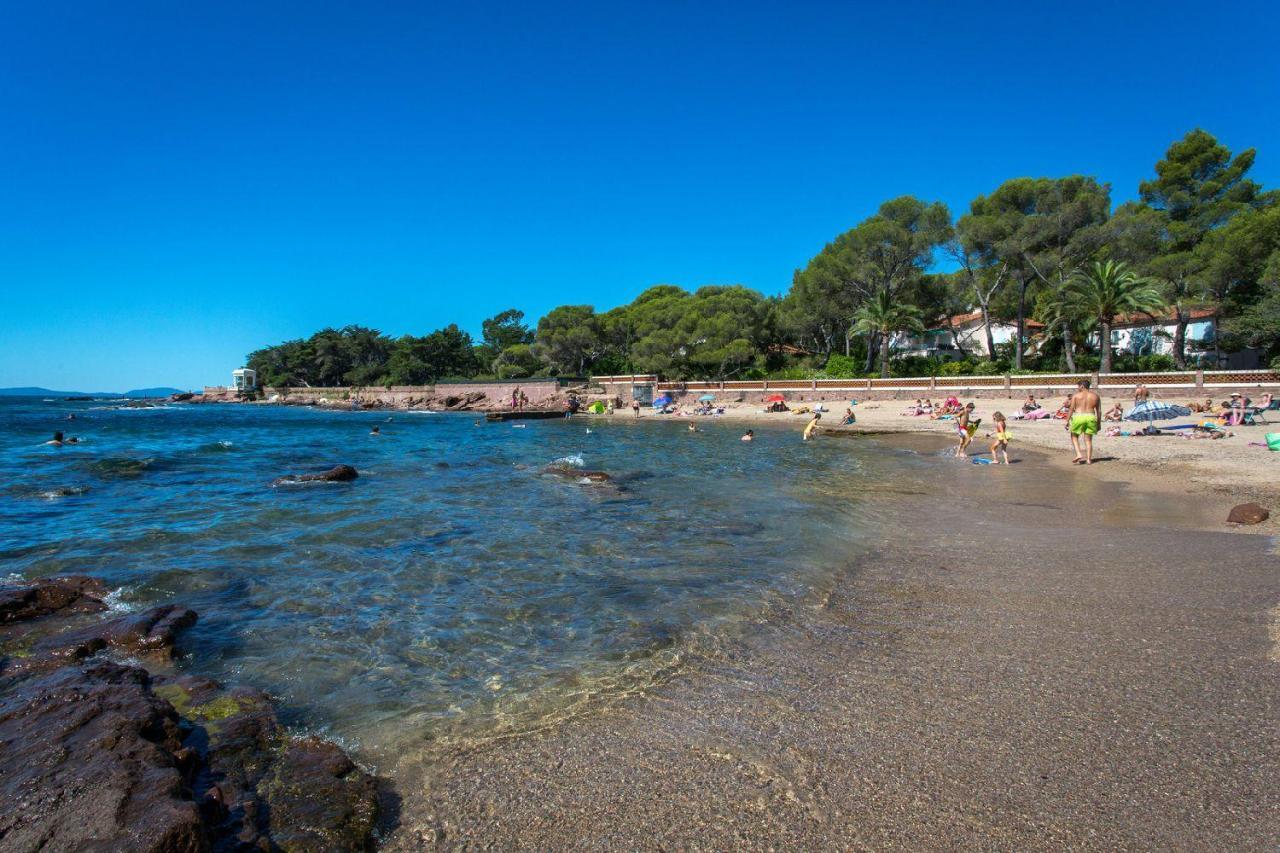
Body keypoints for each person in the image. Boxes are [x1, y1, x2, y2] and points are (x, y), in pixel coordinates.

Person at [1066, 379, 1102, 464]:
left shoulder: (1076, 396)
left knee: (1074, 436)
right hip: (1090, 416)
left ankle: (1078, 454)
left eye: (1078, 386)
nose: (1078, 388)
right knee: (1088, 439)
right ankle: (1089, 459)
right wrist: (1099, 423)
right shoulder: (1096, 396)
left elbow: (1071, 409)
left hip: (1079, 416)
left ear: (1082, 386)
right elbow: (1099, 411)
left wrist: (1067, 420)